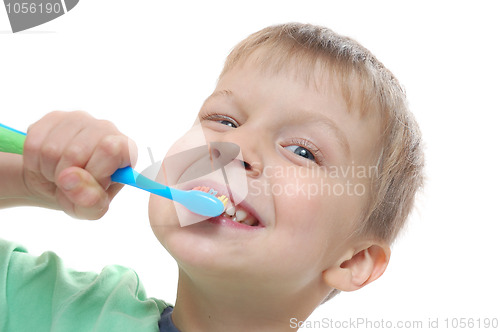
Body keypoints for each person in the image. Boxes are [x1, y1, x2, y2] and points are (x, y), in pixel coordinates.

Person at [0, 23, 424, 331]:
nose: (236, 150)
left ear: (353, 261)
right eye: (223, 120)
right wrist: (29, 179)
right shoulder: (62, 311)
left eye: (302, 151)